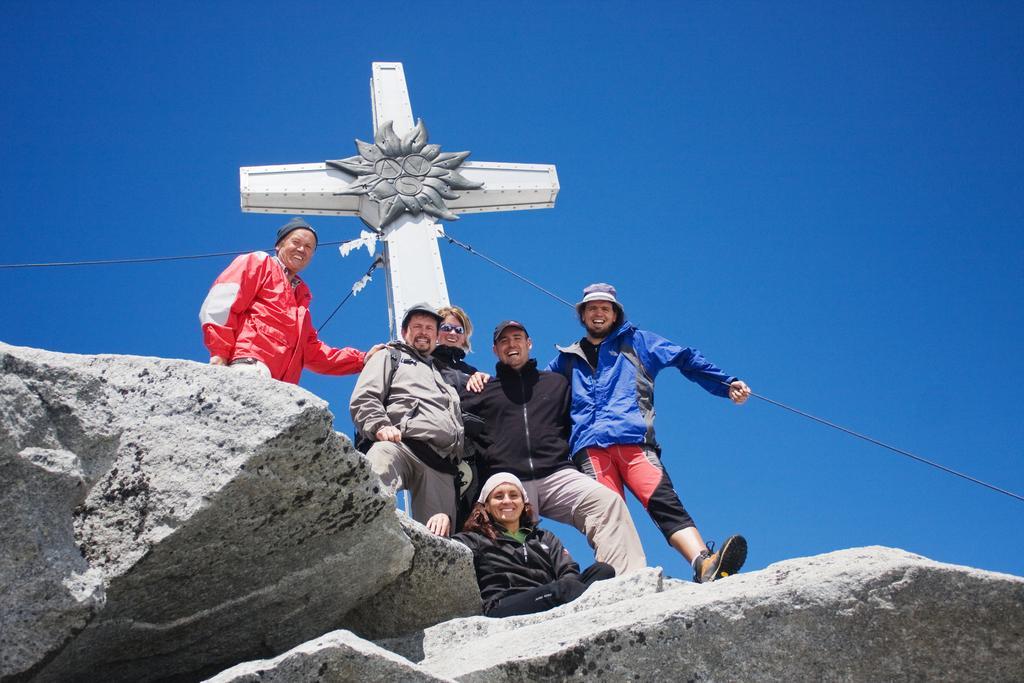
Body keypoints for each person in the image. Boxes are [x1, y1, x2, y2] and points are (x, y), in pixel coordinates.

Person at [548, 283, 751, 583]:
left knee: (662, 500)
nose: (598, 313)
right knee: (606, 516)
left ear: (615, 314)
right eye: (592, 308)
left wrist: (725, 384)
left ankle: (704, 564)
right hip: (589, 451)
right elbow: (538, 395)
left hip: (633, 443)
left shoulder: (638, 343)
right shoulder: (566, 359)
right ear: (583, 315)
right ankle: (617, 580)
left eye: (605, 308)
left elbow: (686, 357)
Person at [460, 320, 647, 576]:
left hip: (558, 473)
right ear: (495, 350)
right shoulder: (482, 390)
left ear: (529, 343)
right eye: (504, 341)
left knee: (606, 502)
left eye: (517, 338)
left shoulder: (556, 384)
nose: (511, 344)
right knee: (515, 543)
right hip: (510, 482)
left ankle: (627, 581)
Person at [199, 217, 383, 383]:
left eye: (309, 247)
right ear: (279, 245)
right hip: (251, 367)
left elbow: (313, 352)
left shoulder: (301, 299)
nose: (302, 249)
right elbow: (222, 302)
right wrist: (220, 353)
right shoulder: (259, 262)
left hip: (282, 385)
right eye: (296, 242)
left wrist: (362, 359)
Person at [350, 303, 464, 536]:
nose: (424, 332)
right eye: (417, 327)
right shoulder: (390, 355)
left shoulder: (442, 374)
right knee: (372, 483)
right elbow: (365, 396)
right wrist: (380, 425)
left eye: (430, 328)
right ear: (405, 332)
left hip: (440, 464)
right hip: (400, 446)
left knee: (440, 539)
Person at [453, 472, 616, 618]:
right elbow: (448, 552)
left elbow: (568, 571)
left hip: (549, 593)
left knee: (603, 570)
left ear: (524, 503)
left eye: (513, 495)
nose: (507, 501)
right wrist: (442, 518)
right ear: (486, 506)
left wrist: (568, 590)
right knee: (565, 587)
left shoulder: (544, 537)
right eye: (499, 496)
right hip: (504, 603)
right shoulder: (474, 539)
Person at [430, 305, 489, 529]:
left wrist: (485, 382)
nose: (453, 333)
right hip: (440, 448)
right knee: (443, 516)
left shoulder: (473, 371)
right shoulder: (424, 363)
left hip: (474, 450)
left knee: (475, 514)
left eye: (459, 329)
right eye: (446, 327)